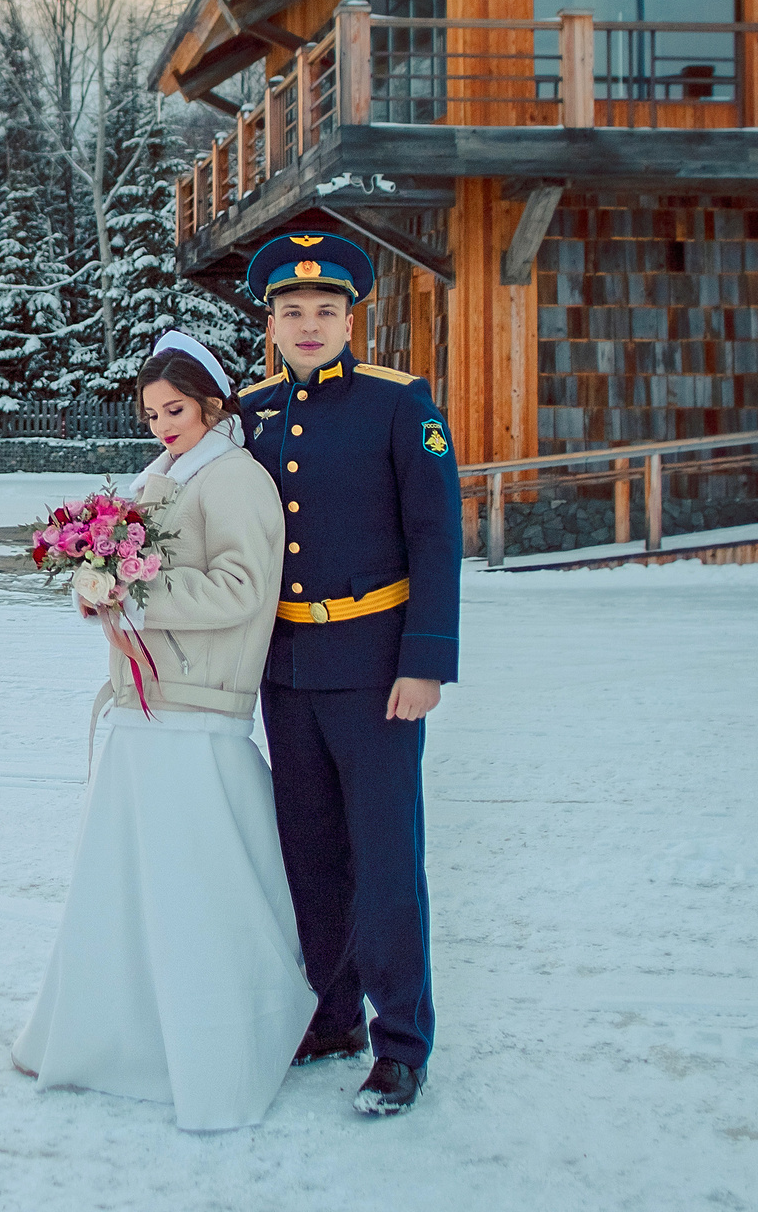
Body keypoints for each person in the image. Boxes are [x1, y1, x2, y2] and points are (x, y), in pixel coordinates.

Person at [12, 330, 316, 1131]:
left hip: (198, 704)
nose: (160, 425)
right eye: (149, 413)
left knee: (195, 889)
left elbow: (246, 589)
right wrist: (96, 586)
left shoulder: (237, 476)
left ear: (213, 402)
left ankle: (214, 1045)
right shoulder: (159, 477)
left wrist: (136, 589)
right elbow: (130, 569)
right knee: (128, 884)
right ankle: (111, 1035)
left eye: (173, 409)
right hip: (143, 706)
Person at [237, 230, 460, 1118]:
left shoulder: (399, 406)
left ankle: (402, 1041)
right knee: (311, 855)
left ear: (349, 318)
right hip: (284, 670)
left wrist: (427, 662)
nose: (309, 324)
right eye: (292, 312)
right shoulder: (247, 413)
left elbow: (436, 538)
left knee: (385, 858)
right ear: (272, 322)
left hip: (376, 671)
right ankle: (332, 1017)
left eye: (325, 311)